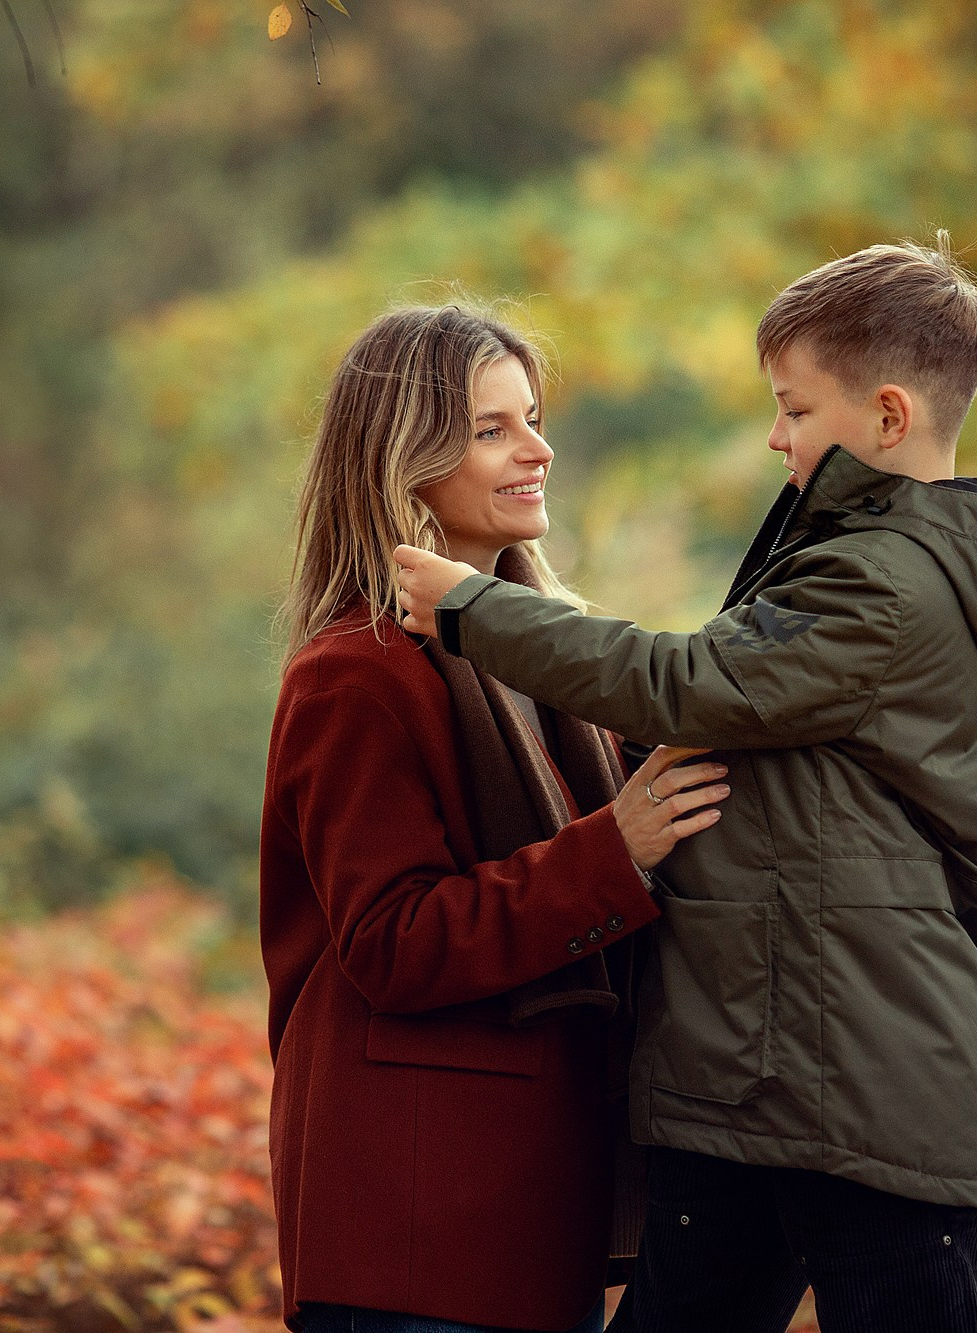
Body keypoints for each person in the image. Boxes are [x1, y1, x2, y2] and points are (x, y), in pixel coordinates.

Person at [393, 235, 977, 1332]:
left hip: (860, 1095)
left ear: (887, 418)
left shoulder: (881, 583)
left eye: (794, 410)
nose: (775, 436)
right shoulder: (846, 559)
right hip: (755, 1078)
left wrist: (474, 610)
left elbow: (687, 682)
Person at [261, 304, 731, 1333]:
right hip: (412, 1228)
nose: (537, 449)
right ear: (403, 461)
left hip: (521, 1217)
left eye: (532, 417)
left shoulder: (540, 665)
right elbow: (392, 942)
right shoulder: (357, 674)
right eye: (491, 429)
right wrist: (616, 849)